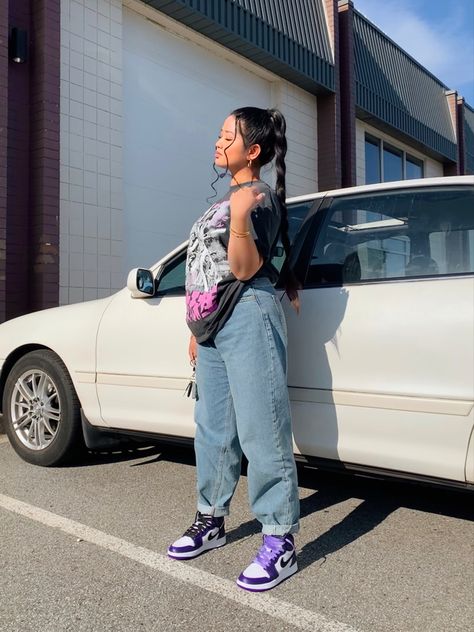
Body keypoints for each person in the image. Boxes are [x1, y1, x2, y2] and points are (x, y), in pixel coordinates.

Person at [167, 106, 301, 592]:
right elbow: (208, 270)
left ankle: (279, 537)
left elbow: (244, 270)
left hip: (249, 316)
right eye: (220, 133)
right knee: (214, 429)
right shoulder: (227, 199)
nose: (218, 142)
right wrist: (197, 327)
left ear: (254, 150)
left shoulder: (257, 197)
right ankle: (211, 518)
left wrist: (242, 219)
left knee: (261, 428)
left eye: (228, 136)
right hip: (215, 326)